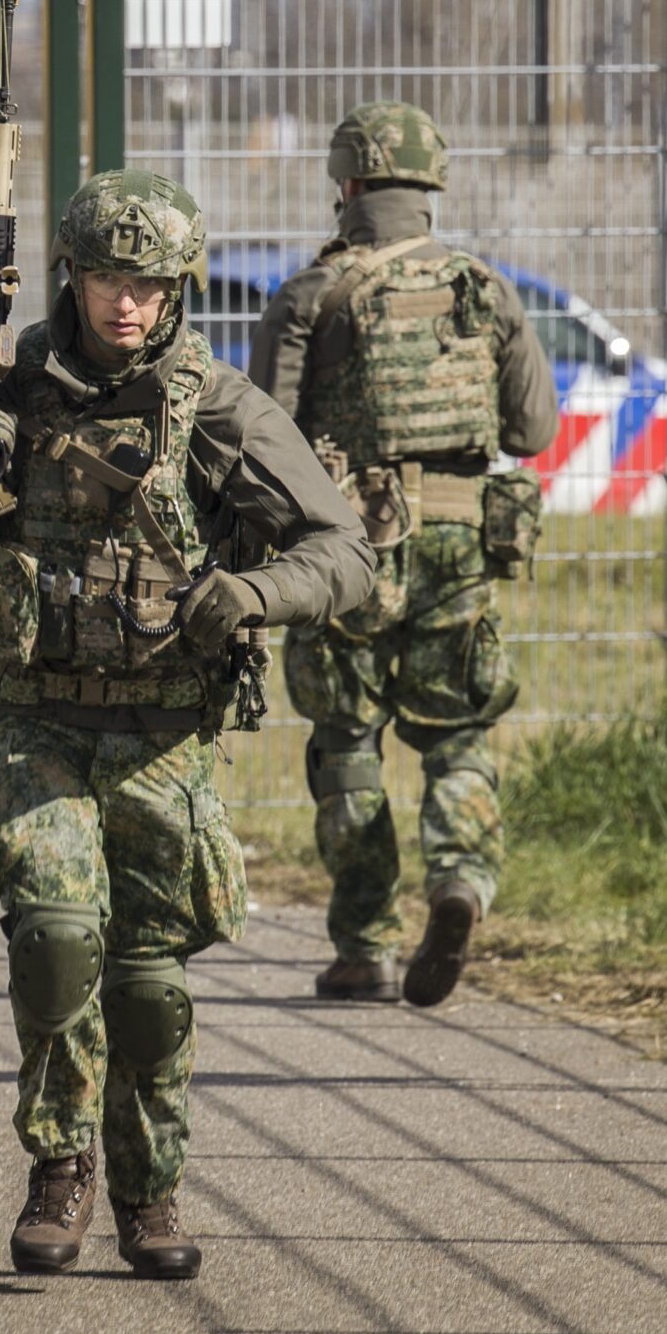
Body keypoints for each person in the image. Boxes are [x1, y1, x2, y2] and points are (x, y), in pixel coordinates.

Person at [0, 168, 371, 1280]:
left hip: (163, 732)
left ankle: (149, 1192)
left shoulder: (217, 408)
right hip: (33, 722)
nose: (128, 304)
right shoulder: (3, 391)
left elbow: (342, 553)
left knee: (150, 984)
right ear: (72, 276)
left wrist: (255, 592)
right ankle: (59, 1166)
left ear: (178, 289)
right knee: (57, 936)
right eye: (109, 279)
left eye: (150, 284)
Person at [251, 103, 557, 1007]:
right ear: (433, 186)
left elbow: (267, 442)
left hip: (346, 548)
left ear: (345, 184)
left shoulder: (311, 295)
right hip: (460, 543)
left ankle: (365, 947)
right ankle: (459, 879)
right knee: (457, 731)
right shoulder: (485, 290)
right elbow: (532, 431)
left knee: (347, 742)